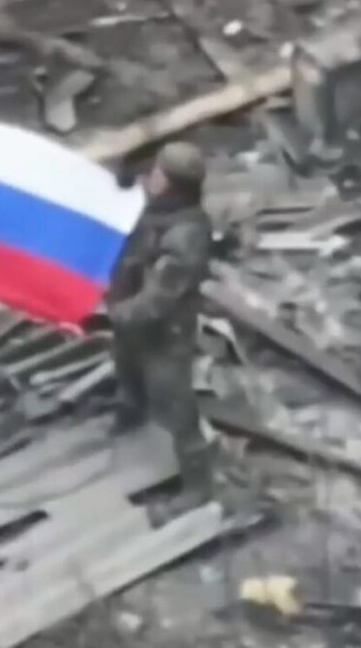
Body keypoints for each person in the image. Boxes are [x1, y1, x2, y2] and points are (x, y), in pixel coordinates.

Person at [106, 141, 215, 510]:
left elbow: (159, 298)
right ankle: (132, 416)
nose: (150, 179)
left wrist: (112, 315)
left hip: (165, 334)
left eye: (158, 175)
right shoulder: (160, 209)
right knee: (127, 372)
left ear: (174, 186)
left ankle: (197, 484)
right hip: (130, 318)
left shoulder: (186, 236)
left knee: (175, 405)